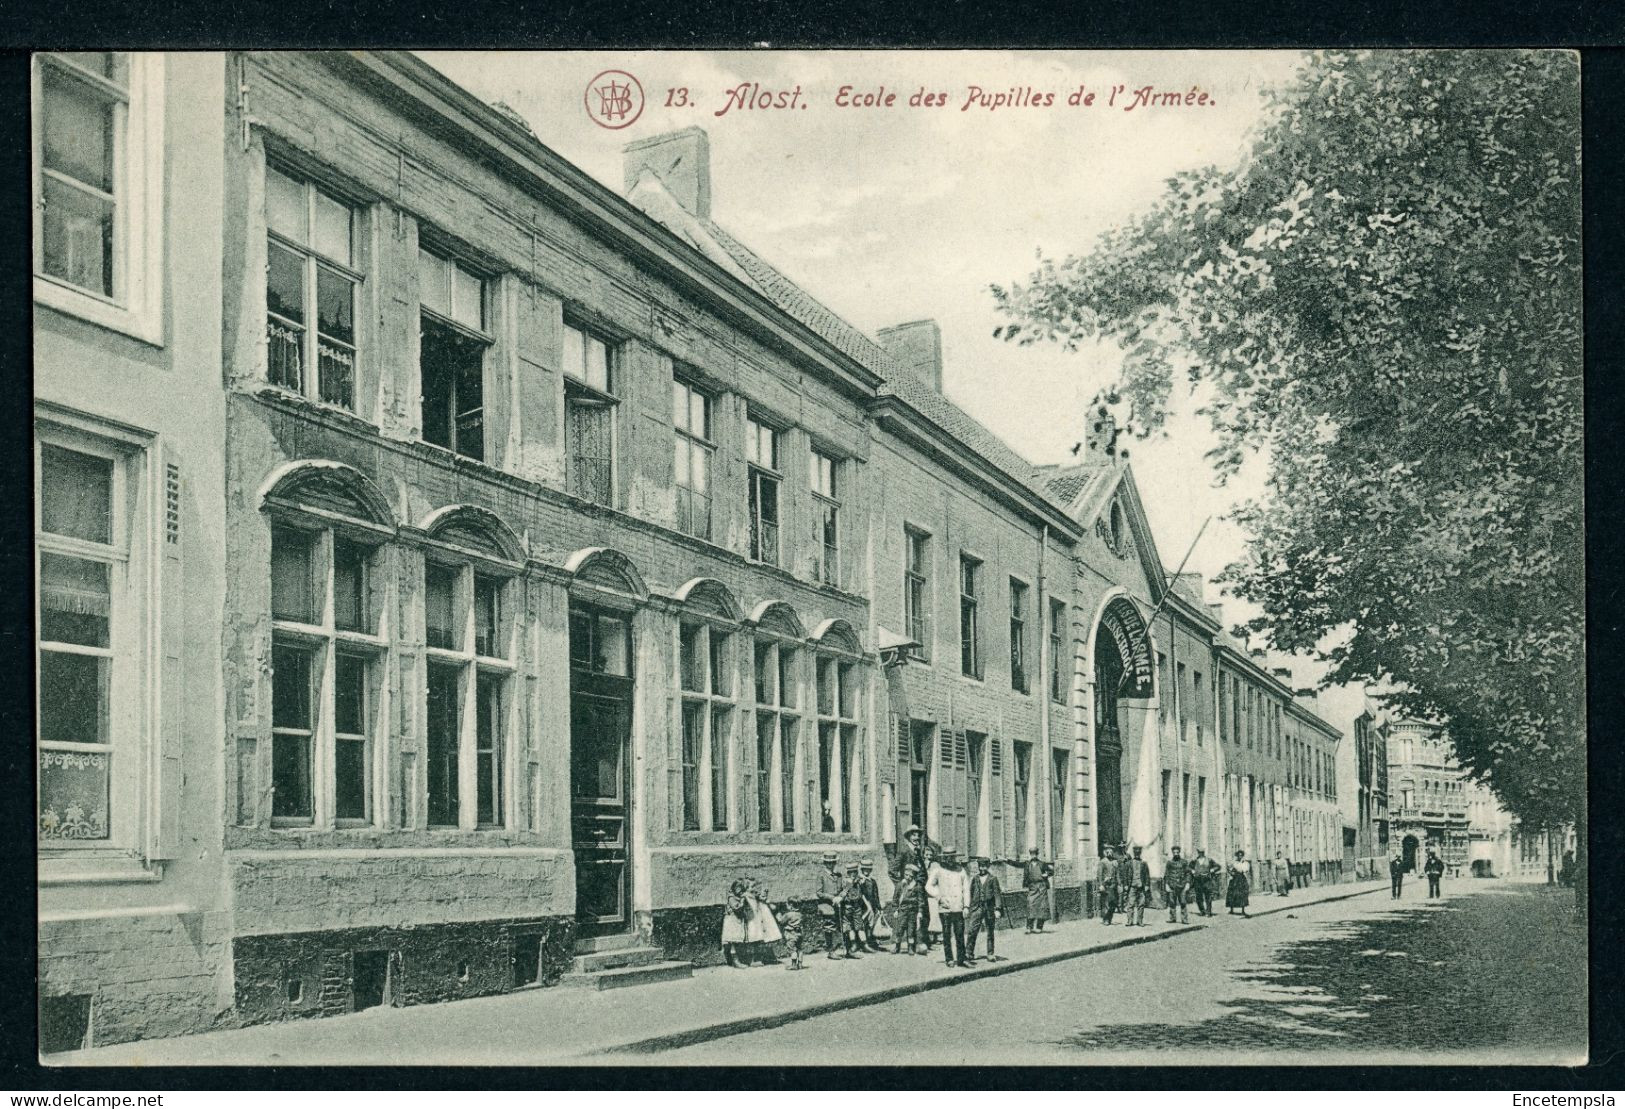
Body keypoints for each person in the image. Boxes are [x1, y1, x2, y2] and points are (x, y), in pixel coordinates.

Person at [926, 846, 971, 968]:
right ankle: (949, 959)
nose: (950, 860)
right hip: (945, 908)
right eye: (947, 858)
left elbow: (966, 889)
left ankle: (962, 959)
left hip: (958, 907)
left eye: (952, 857)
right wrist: (939, 897)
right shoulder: (938, 870)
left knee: (960, 934)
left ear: (955, 857)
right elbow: (928, 886)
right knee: (946, 934)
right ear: (944, 858)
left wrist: (966, 906)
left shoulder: (960, 870)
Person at [1005, 846, 1054, 933]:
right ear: (1030, 854)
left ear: (1037, 854)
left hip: (1041, 887)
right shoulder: (1027, 864)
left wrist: (1047, 874)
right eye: (1032, 854)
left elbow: (1052, 871)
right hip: (1032, 888)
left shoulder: (1042, 864)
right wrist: (1005, 860)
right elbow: (1016, 864)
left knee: (1042, 907)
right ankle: (1029, 927)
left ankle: (1039, 927)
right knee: (1030, 906)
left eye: (1035, 854)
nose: (1033, 855)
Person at [965, 856, 1003, 963]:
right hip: (977, 907)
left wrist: (997, 909)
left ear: (988, 866)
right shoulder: (975, 879)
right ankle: (969, 952)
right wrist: (970, 906)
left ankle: (990, 953)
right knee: (972, 930)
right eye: (981, 866)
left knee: (990, 931)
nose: (982, 868)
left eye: (985, 866)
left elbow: (997, 894)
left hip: (989, 908)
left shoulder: (993, 879)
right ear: (978, 867)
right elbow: (971, 893)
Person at [815, 851, 846, 959]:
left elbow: (843, 889)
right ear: (825, 863)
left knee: (842, 925)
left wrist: (841, 897)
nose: (831, 865)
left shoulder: (839, 875)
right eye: (828, 863)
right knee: (829, 927)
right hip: (826, 906)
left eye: (833, 862)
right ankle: (830, 951)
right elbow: (819, 893)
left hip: (838, 905)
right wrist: (832, 898)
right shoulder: (821, 876)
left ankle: (845, 948)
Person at [744, 879, 783, 962]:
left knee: (764, 938)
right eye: (752, 887)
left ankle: (766, 957)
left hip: (761, 919)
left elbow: (770, 905)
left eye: (755, 886)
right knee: (755, 937)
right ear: (746, 888)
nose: (754, 889)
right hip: (753, 920)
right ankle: (755, 959)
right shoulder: (746, 897)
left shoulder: (758, 897)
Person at [891, 862, 924, 954]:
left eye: (910, 876)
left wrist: (920, 911)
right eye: (906, 875)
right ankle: (897, 947)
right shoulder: (900, 885)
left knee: (911, 930)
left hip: (913, 911)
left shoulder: (917, 886)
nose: (907, 877)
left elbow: (921, 900)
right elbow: (895, 899)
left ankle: (910, 948)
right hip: (902, 911)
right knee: (899, 930)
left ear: (914, 876)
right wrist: (895, 910)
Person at [840, 862, 867, 959]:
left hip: (857, 906)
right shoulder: (845, 881)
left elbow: (862, 893)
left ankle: (864, 944)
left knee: (859, 925)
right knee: (849, 926)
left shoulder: (859, 882)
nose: (853, 874)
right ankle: (853, 944)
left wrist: (862, 883)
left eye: (855, 872)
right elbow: (843, 893)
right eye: (851, 872)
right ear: (848, 873)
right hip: (848, 906)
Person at [722, 878, 750, 967]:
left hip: (738, 921)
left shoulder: (739, 896)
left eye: (741, 889)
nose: (740, 891)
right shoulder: (731, 897)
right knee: (733, 941)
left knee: (737, 941)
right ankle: (735, 961)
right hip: (732, 921)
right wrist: (742, 901)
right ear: (734, 887)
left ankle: (736, 960)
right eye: (738, 888)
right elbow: (736, 908)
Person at [857, 858, 883, 952]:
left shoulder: (872, 881)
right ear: (862, 870)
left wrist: (879, 907)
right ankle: (863, 944)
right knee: (863, 924)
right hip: (863, 907)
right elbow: (860, 894)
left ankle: (870, 941)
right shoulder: (859, 881)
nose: (866, 871)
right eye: (864, 869)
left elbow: (876, 895)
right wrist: (862, 884)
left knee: (871, 925)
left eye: (868, 869)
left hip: (872, 906)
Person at [1163, 846, 1192, 925]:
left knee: (1183, 902)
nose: (1176, 854)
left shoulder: (1184, 862)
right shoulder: (1169, 863)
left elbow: (1188, 873)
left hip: (1181, 886)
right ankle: (1172, 918)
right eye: (1174, 852)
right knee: (1172, 902)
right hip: (1172, 885)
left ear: (1179, 852)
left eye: (1177, 852)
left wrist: (1188, 883)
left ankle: (1184, 919)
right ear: (1172, 853)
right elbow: (1166, 874)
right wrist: (1166, 885)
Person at [1125, 845, 1152, 926]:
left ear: (1140, 853)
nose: (1137, 854)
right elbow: (1125, 875)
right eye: (1136, 852)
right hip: (1132, 887)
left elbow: (1147, 875)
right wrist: (1126, 885)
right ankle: (1130, 921)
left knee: (1141, 904)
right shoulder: (1129, 863)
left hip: (1141, 887)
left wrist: (1147, 885)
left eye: (1138, 852)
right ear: (1133, 853)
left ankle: (1139, 921)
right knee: (1131, 904)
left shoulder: (1144, 863)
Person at [775, 900, 804, 971]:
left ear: (791, 906)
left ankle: (794, 965)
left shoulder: (788, 914)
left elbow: (781, 921)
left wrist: (778, 915)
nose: (786, 907)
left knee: (792, 949)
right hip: (799, 934)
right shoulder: (800, 914)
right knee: (799, 949)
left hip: (791, 934)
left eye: (787, 905)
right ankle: (800, 964)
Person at [1192, 848, 1221, 917]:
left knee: (1208, 896)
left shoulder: (1209, 860)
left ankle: (1208, 911)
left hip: (1207, 881)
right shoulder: (1194, 861)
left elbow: (1218, 866)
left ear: (1204, 853)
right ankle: (1202, 911)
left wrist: (1212, 870)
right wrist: (1192, 871)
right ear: (1198, 853)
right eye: (1199, 852)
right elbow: (1188, 867)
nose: (1201, 853)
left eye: (1202, 852)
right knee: (1198, 897)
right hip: (1198, 881)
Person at [1098, 845, 1121, 925]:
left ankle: (1109, 918)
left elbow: (1117, 874)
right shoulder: (1102, 862)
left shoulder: (1115, 862)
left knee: (1114, 903)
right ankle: (1106, 919)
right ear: (1105, 852)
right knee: (1107, 903)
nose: (1110, 852)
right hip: (1106, 885)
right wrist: (1101, 885)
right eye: (1108, 851)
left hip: (1114, 885)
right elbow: (1100, 875)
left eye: (1111, 850)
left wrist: (1120, 884)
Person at [1225, 850, 1252, 917]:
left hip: (1241, 879)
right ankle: (1231, 909)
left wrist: (1243, 869)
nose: (1240, 857)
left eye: (1241, 855)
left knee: (1242, 893)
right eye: (1239, 855)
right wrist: (1231, 873)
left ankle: (1243, 910)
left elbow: (1246, 870)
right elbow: (1229, 868)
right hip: (1234, 879)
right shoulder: (1234, 862)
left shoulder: (1245, 863)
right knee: (1232, 893)